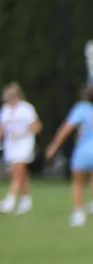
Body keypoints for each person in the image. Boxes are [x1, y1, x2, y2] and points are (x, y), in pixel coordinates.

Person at [42, 81, 93, 227]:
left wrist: (53, 146)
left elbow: (66, 129)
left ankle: (78, 213)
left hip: (85, 150)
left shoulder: (82, 108)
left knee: (78, 183)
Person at [1, 83, 39, 215]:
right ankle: (26, 200)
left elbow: (37, 127)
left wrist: (24, 132)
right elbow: (2, 128)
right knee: (20, 173)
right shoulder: (5, 110)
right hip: (11, 144)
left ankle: (10, 200)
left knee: (17, 169)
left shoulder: (27, 109)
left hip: (25, 143)